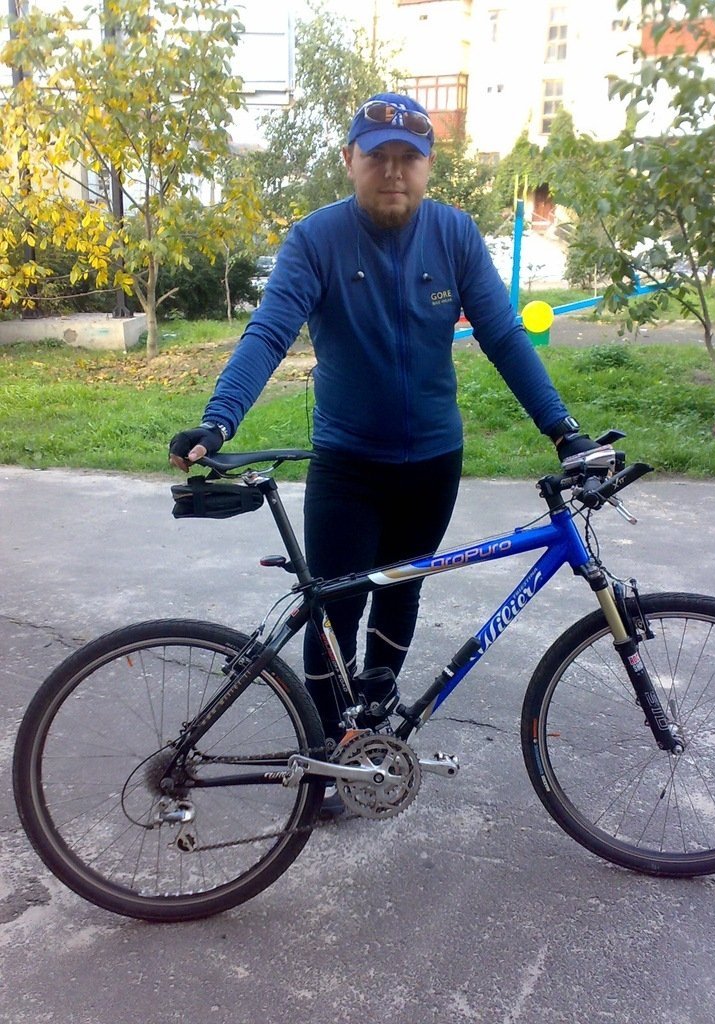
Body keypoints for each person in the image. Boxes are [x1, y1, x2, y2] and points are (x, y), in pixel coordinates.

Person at [169, 92, 596, 743]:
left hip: (433, 464)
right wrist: (219, 420)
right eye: (377, 156)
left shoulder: (454, 235)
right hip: (348, 466)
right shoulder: (316, 240)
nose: (393, 171)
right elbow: (269, 333)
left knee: (402, 593)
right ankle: (322, 749)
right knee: (335, 614)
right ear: (350, 159)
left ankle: (368, 732)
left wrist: (563, 430)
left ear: (428, 166)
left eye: (408, 158)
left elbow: (504, 336)